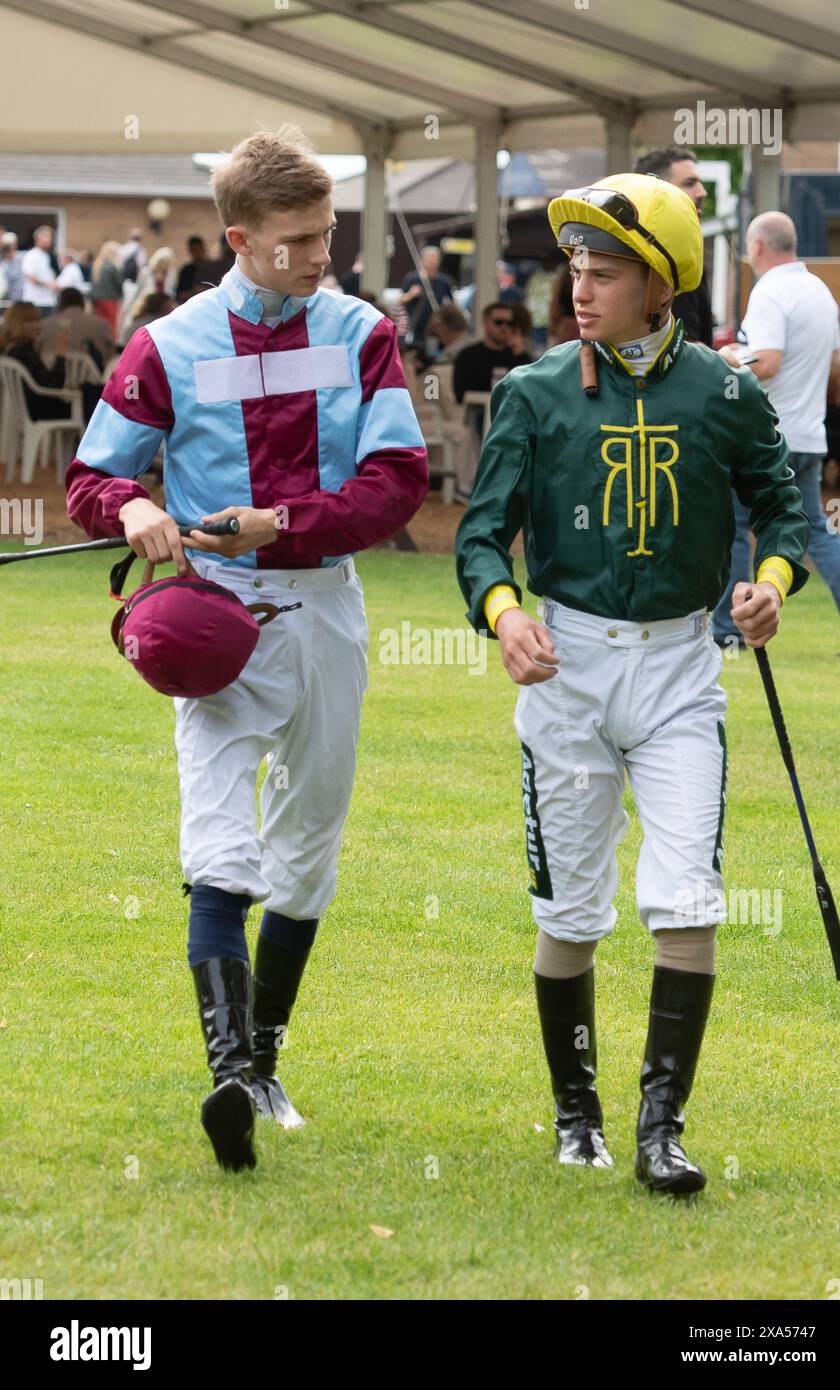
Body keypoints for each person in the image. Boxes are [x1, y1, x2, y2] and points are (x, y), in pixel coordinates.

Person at [65, 123, 428, 1174]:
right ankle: (228, 1072)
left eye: (328, 236)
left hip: (323, 609)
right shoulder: (168, 343)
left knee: (307, 848)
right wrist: (131, 507)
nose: (322, 256)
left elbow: (397, 479)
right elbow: (93, 478)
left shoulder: (363, 331)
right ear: (239, 236)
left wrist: (286, 525)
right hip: (212, 615)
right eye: (300, 240)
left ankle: (265, 1060)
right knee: (219, 841)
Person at [455, 173, 809, 1196]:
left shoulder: (728, 393)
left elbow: (781, 512)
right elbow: (480, 537)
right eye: (573, 269)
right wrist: (504, 612)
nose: (578, 289)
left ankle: (661, 1131)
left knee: (686, 901)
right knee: (568, 918)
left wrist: (770, 584)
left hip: (678, 674)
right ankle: (577, 1116)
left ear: (659, 286)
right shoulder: (529, 393)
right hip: (564, 668)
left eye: (602, 273)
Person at [714, 212, 840, 657]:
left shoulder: (770, 291)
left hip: (766, 436)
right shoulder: (819, 290)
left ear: (758, 246)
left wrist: (723, 359)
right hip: (809, 434)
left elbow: (768, 361)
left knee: (737, 527)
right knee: (816, 529)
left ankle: (727, 628)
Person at [634, 147, 713, 346]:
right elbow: (682, 347)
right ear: (657, 192)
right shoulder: (662, 258)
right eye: (689, 183)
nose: (702, 191)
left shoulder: (680, 252)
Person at [1, 300, 102, 424]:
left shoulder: (11, 349)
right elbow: (54, 385)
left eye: (36, 320)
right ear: (16, 323)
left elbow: (42, 381)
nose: (35, 325)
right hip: (43, 408)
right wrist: (60, 353)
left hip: (32, 406)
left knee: (90, 390)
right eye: (29, 321)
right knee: (96, 394)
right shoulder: (23, 350)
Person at [452, 302, 533, 404]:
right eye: (498, 322)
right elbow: (461, 397)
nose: (505, 327)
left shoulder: (517, 356)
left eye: (510, 323)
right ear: (485, 324)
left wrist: (521, 355)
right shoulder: (467, 356)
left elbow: (530, 393)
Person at [37, 287, 115, 369]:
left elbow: (37, 350)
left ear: (60, 304)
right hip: (92, 377)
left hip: (49, 377)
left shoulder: (44, 325)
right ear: (83, 303)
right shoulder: (100, 324)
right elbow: (111, 352)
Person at [399, 245, 455, 344]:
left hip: (434, 328)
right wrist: (411, 294)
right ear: (422, 260)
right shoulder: (412, 278)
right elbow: (400, 300)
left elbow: (452, 304)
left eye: (434, 260)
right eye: (429, 259)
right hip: (413, 326)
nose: (431, 263)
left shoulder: (445, 281)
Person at [90, 242, 124, 338]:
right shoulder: (112, 267)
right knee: (110, 324)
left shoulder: (97, 265)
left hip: (96, 299)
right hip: (109, 298)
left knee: (99, 322)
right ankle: (110, 344)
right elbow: (118, 284)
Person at [21, 225, 58, 314]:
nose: (49, 239)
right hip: (35, 301)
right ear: (37, 238)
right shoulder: (31, 255)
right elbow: (30, 277)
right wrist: (49, 285)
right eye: (46, 236)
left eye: (50, 237)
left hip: (49, 301)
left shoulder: (49, 256)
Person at [176, 236, 209, 303]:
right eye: (194, 251)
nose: (197, 253)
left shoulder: (213, 267)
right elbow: (179, 295)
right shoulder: (186, 271)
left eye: (199, 249)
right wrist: (194, 292)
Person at [1, 232, 25, 301]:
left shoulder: (24, 257)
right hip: (6, 299)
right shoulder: (2, 261)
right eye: (5, 246)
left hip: (23, 298)